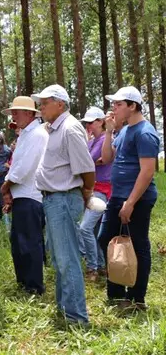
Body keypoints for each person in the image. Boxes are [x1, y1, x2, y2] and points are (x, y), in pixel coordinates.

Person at [32, 84, 95, 325]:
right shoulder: (52, 129)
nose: (41, 107)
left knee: (67, 258)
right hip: (53, 199)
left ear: (60, 104)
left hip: (63, 199)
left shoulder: (69, 129)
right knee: (60, 258)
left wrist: (86, 194)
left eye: (45, 102)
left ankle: (77, 318)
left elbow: (87, 169)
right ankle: (65, 308)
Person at [99, 86, 159, 311]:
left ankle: (136, 298)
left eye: (118, 104)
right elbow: (106, 158)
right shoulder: (123, 131)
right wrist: (108, 132)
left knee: (138, 245)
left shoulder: (145, 132)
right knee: (105, 238)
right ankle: (116, 294)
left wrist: (131, 202)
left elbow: (147, 171)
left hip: (138, 199)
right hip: (118, 196)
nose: (113, 108)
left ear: (132, 106)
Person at [0, 96, 48, 295]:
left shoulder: (37, 134)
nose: (13, 116)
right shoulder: (26, 135)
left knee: (30, 242)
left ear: (29, 113)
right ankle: (24, 282)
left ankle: (34, 286)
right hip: (21, 194)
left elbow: (23, 168)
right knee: (19, 242)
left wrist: (6, 186)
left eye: (16, 112)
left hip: (30, 194)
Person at [79, 107, 111, 282]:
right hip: (92, 189)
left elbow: (95, 160)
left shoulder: (106, 139)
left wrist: (93, 162)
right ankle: (100, 265)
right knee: (95, 230)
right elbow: (88, 161)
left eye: (91, 122)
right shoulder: (91, 141)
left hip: (102, 190)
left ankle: (93, 267)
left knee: (85, 228)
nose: (88, 125)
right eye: (86, 123)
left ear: (101, 121)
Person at [0, 132, 11, 223]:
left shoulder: (7, 150)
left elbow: (11, 159)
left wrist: (6, 167)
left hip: (1, 176)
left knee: (0, 199)